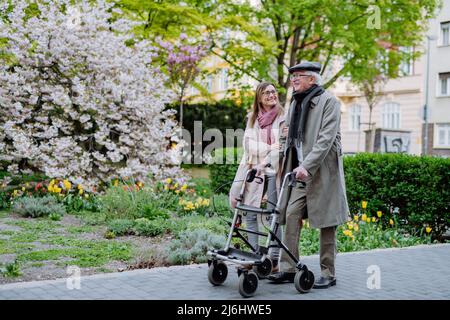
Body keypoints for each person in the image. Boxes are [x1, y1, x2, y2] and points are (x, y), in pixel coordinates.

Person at [267, 61, 350, 288]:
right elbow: (289, 135)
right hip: (299, 173)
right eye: (292, 76)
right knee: (291, 214)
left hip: (323, 173)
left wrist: (308, 165)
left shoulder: (329, 102)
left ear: (312, 79)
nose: (293, 80)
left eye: (298, 76)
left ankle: (328, 273)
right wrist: (281, 151)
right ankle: (288, 267)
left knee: (327, 223)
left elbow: (326, 138)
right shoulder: (295, 102)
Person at [229, 81, 285, 272]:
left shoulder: (283, 116)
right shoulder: (252, 118)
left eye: (273, 92)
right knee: (250, 213)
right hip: (253, 171)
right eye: (267, 93)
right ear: (259, 97)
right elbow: (248, 145)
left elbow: (282, 148)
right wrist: (269, 148)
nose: (271, 95)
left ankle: (275, 260)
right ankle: (254, 255)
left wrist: (265, 160)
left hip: (272, 171)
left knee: (273, 216)